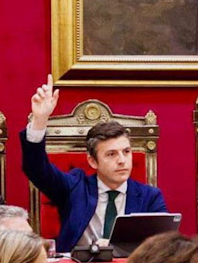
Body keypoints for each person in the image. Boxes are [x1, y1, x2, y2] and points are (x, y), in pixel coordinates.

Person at [20, 75, 167, 253]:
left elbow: (163, 247)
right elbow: (37, 170)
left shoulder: (149, 197)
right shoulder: (75, 187)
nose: (122, 160)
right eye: (111, 154)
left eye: (126, 152)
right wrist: (39, 121)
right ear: (92, 161)